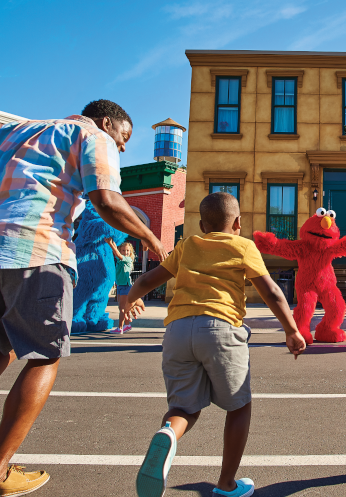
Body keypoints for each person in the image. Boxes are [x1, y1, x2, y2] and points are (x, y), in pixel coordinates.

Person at [0, 100, 167, 497]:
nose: (122, 148)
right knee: (44, 356)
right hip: (34, 247)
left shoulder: (14, 129)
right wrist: (151, 239)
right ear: (108, 123)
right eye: (123, 139)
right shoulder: (93, 136)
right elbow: (106, 199)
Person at [122, 192, 306, 497]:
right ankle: (226, 483)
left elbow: (146, 281)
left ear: (201, 224)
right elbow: (272, 292)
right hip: (220, 328)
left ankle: (168, 433)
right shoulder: (243, 246)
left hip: (178, 331)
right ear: (238, 223)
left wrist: (130, 300)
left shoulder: (187, 245)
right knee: (239, 405)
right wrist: (292, 330)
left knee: (183, 408)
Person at [106, 238, 136, 333]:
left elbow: (117, 254)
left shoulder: (127, 259)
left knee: (122, 308)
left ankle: (120, 328)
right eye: (123, 250)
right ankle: (127, 325)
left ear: (130, 252)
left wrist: (110, 244)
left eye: (127, 250)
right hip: (120, 286)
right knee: (123, 306)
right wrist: (113, 242)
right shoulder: (120, 260)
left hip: (126, 286)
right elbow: (117, 254)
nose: (125, 252)